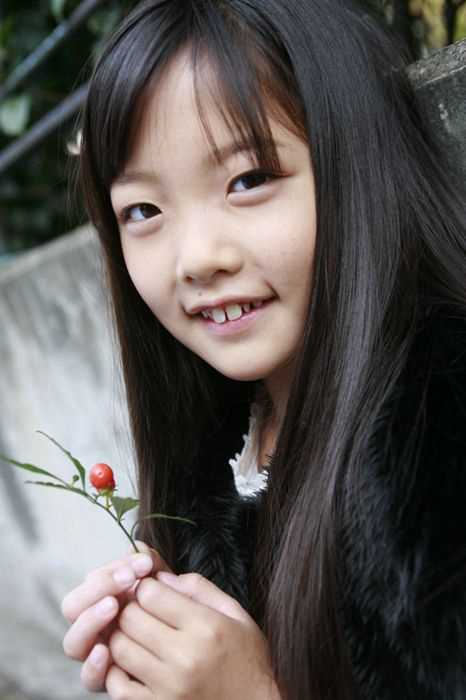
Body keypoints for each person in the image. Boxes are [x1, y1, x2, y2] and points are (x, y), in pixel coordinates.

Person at [60, 0, 466, 698]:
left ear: (358, 163)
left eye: (248, 180)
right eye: (144, 211)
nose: (197, 258)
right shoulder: (219, 441)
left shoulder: (441, 428)